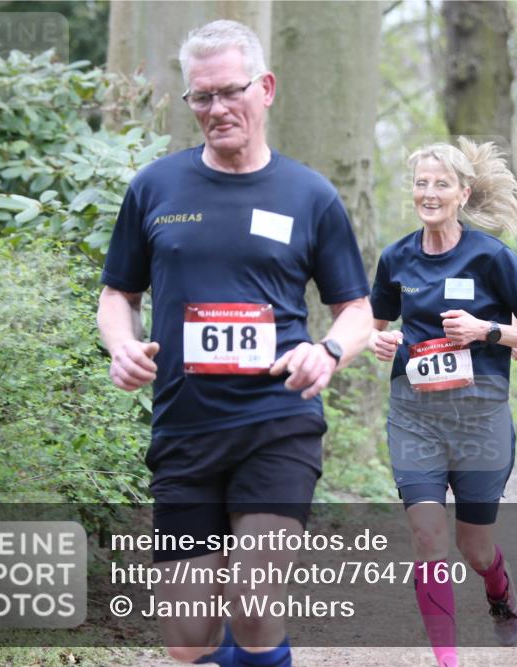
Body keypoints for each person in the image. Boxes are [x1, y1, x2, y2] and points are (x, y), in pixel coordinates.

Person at [97, 20, 372, 667]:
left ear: (265, 88)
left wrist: (328, 351)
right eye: (202, 96)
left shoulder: (310, 195)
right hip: (184, 429)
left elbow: (356, 311)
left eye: (230, 91)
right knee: (186, 639)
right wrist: (120, 345)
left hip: (277, 422)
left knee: (253, 598)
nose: (217, 108)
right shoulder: (154, 188)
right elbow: (117, 295)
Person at [369, 138, 517, 667]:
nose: (429, 193)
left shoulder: (492, 257)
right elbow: (373, 326)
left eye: (441, 184)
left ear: (463, 193)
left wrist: (485, 330)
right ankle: (447, 660)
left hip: (480, 417)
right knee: (428, 537)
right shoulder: (396, 258)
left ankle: (498, 586)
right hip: (415, 417)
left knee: (474, 547)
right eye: (421, 183)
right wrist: (379, 340)